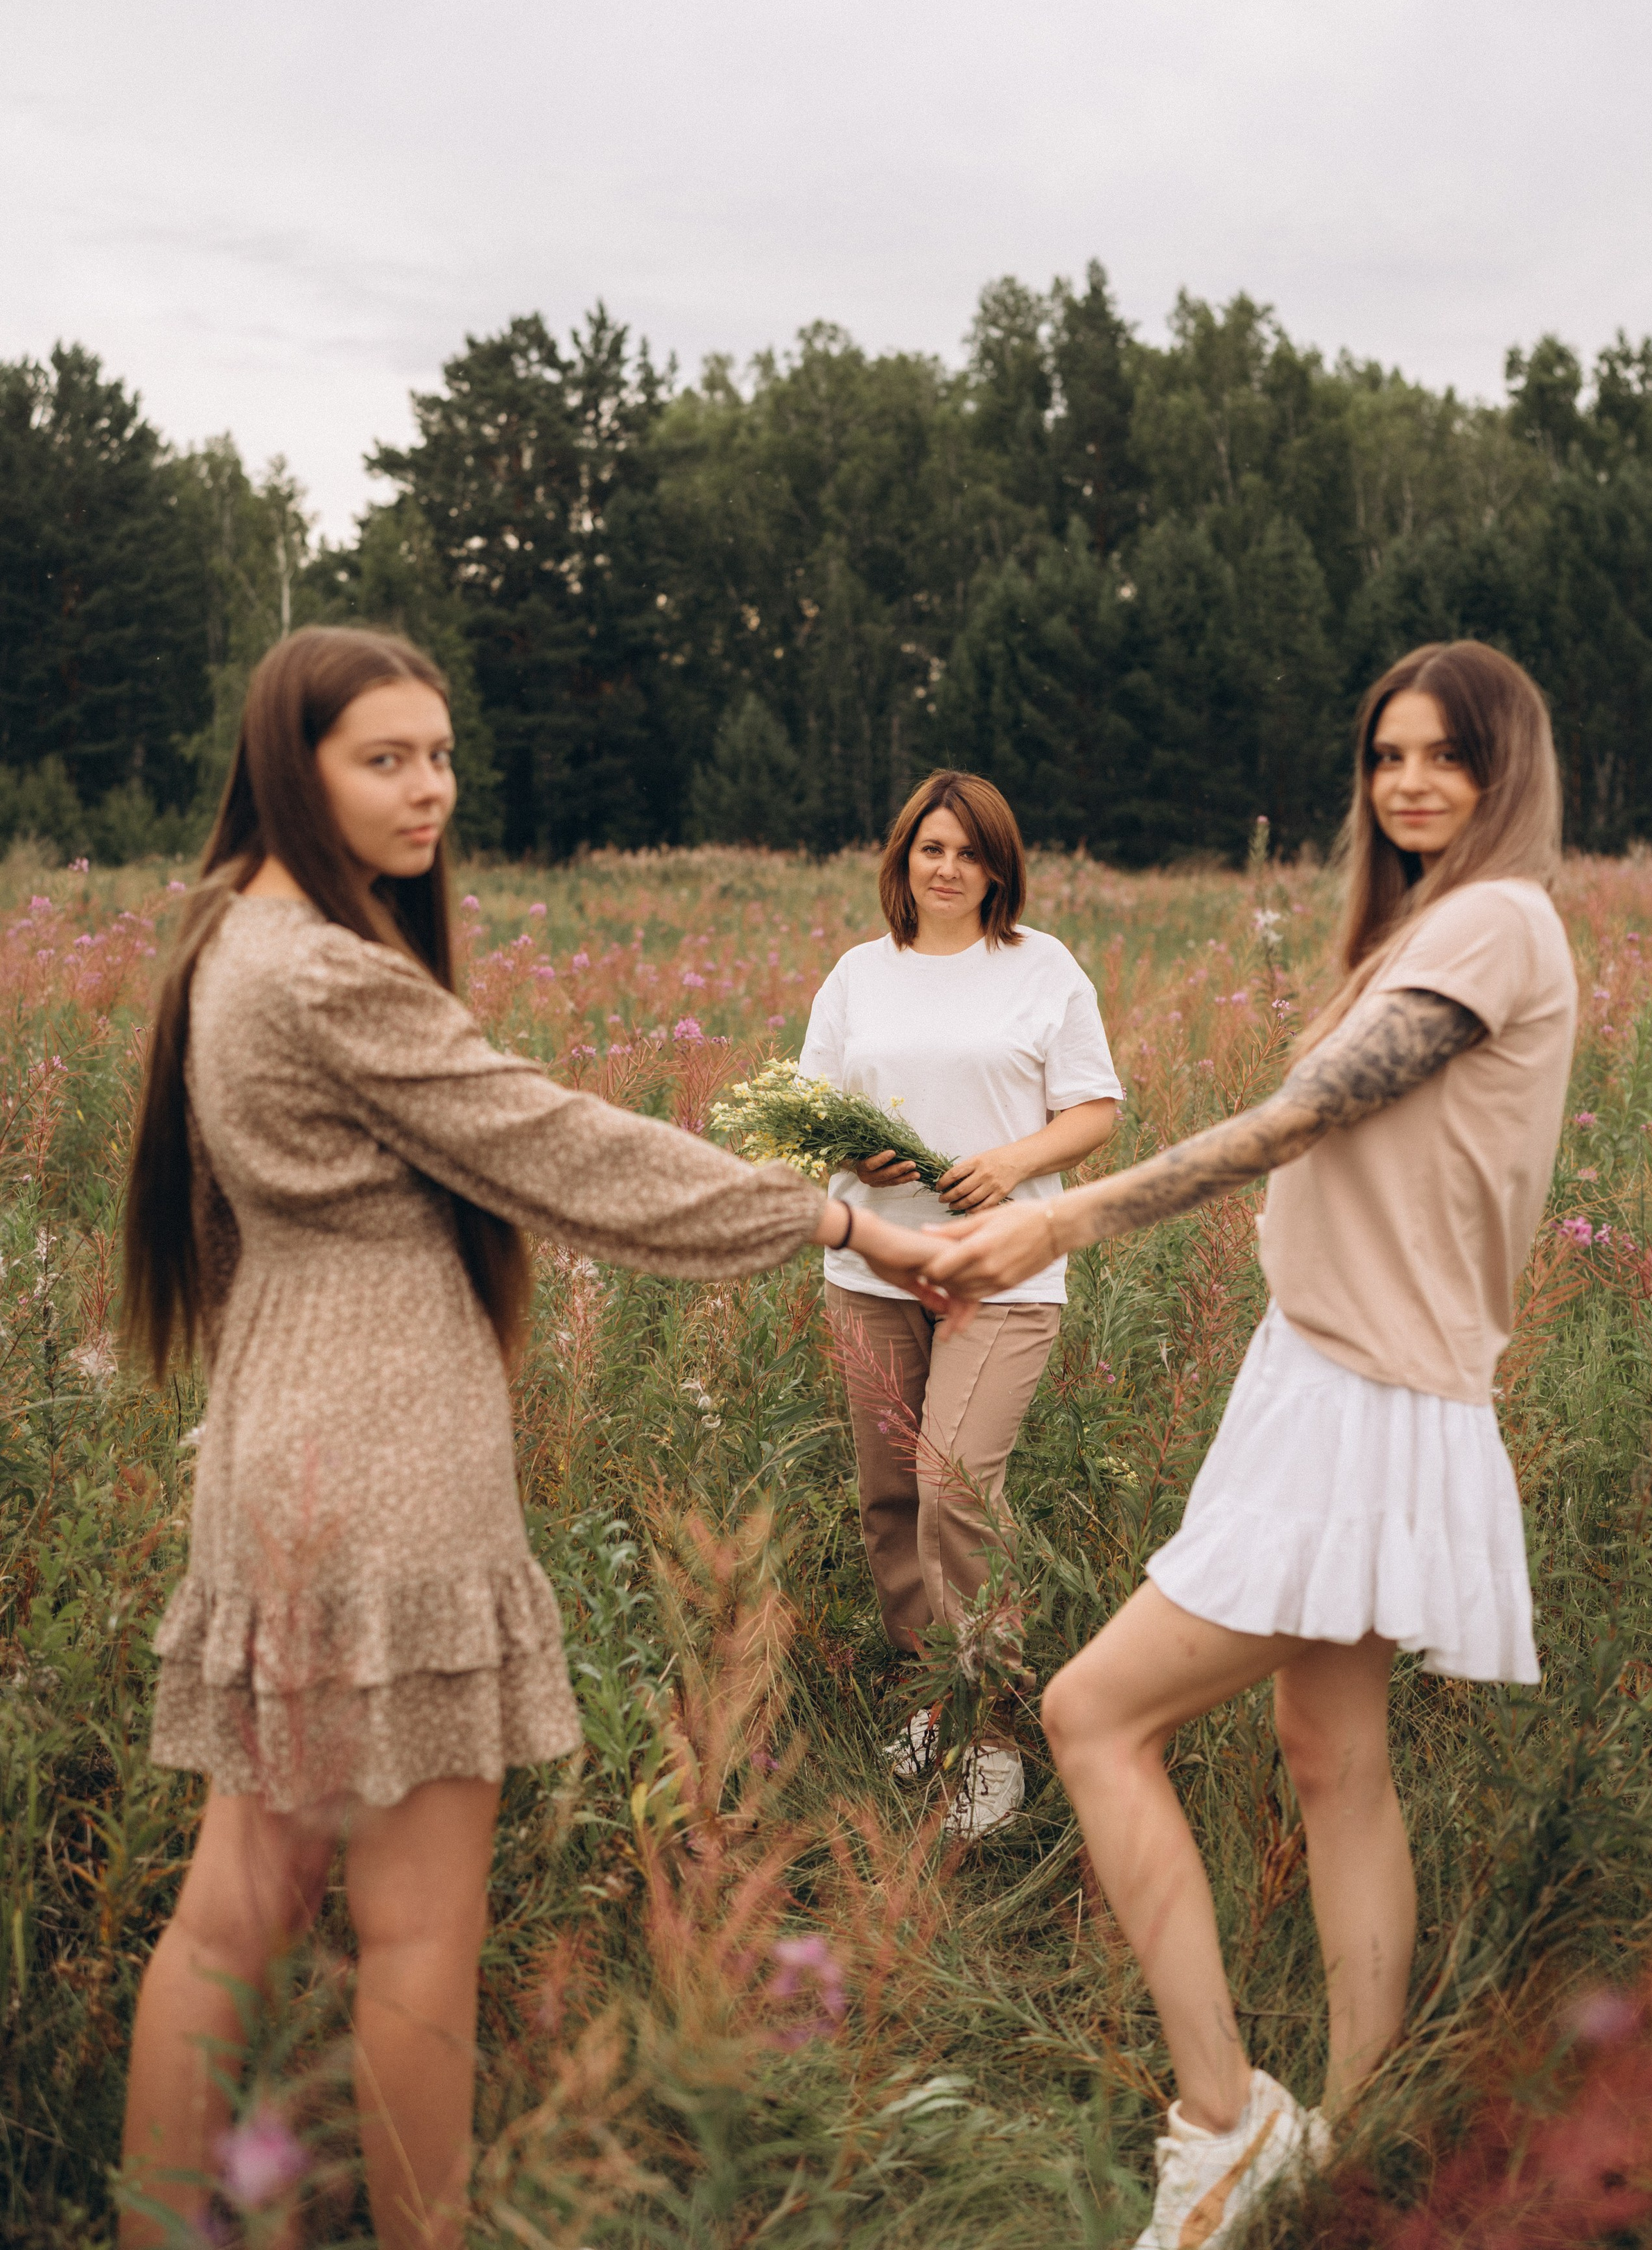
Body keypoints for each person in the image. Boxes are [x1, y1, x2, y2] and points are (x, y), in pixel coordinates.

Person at [116, 627, 930, 2250]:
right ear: (295, 763)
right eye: (385, 759)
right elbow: (554, 1145)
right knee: (417, 1927)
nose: (432, 790)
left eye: (439, 754)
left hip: (276, 1443)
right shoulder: (329, 973)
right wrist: (837, 1214)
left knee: (236, 1915)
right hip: (384, 1470)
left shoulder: (230, 936)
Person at [913, 643, 1577, 2248]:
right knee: (1333, 1766)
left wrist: (1067, 1210)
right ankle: (1364, 2135)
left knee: (1088, 1716)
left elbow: (1316, 1112)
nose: (1408, 783)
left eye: (1444, 758)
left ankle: (1224, 2123)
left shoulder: (1495, 920)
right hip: (1340, 1383)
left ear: (1504, 773)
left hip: (1360, 1407)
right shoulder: (1424, 925)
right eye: (1385, 755)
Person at [801, 769, 1120, 1838]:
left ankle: (995, 1738)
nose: (948, 869)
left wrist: (1009, 1161)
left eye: (969, 853)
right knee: (892, 1502)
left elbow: (1095, 1110)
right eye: (930, 850)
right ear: (903, 860)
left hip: (1003, 1271)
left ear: (999, 867)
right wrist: (857, 1148)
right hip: (872, 1271)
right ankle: (932, 1699)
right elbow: (808, 1110)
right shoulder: (858, 975)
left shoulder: (1042, 968)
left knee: (952, 1491)